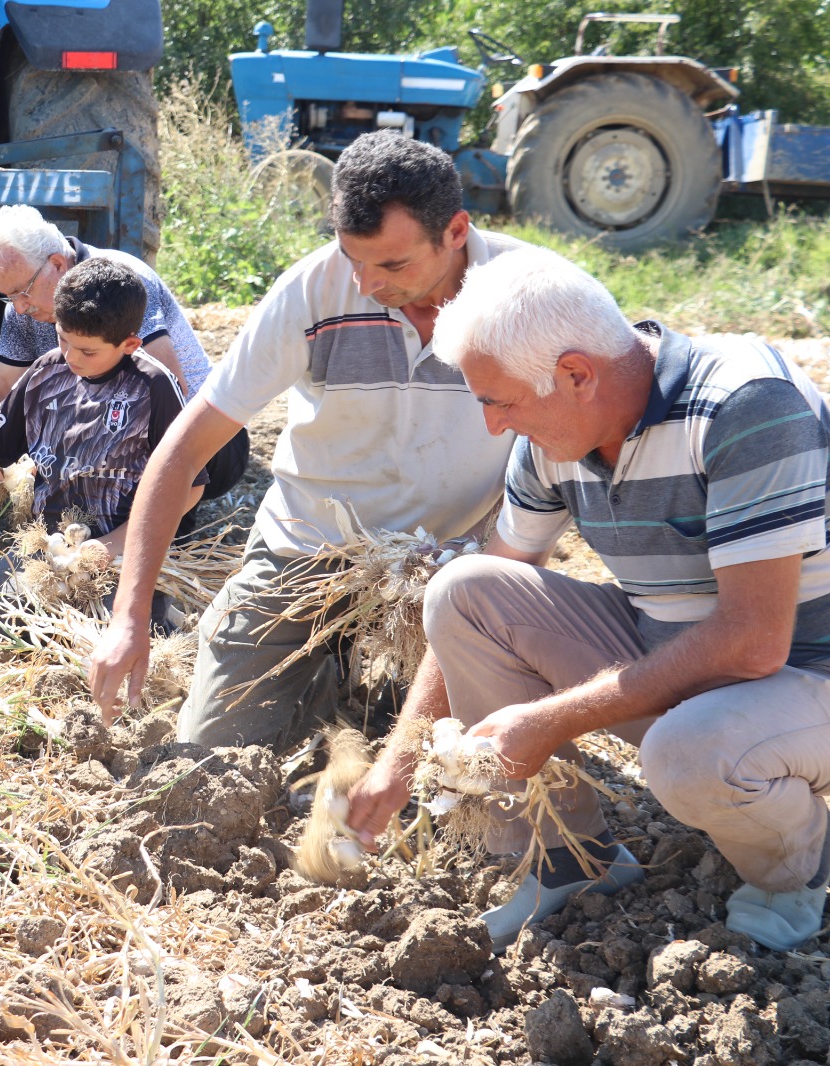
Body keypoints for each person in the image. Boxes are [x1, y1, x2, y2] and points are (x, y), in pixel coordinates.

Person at [351, 245, 830, 952]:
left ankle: (800, 870)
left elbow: (754, 641)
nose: (492, 426)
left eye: (499, 401)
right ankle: (569, 859)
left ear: (577, 373)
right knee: (464, 590)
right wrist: (401, 754)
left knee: (688, 752)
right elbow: (493, 576)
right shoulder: (554, 435)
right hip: (681, 661)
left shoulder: (744, 407)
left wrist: (548, 720)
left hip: (802, 678)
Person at [88, 131, 524, 747]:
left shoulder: (525, 292)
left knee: (477, 763)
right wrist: (129, 618)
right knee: (208, 757)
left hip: (455, 568)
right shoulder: (312, 291)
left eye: (393, 265)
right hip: (307, 554)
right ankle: (317, 665)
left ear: (456, 232)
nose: (367, 284)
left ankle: (364, 674)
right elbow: (183, 450)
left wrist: (490, 564)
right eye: (354, 258)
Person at [0, 258, 206, 646]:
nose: (70, 357)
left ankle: (166, 618)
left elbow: (190, 485)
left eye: (87, 351)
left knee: (102, 653)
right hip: (46, 554)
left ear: (130, 344)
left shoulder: (153, 388)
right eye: (62, 338)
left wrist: (112, 545)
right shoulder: (44, 373)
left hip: (119, 559)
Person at [0, 204, 249, 503]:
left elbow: (168, 392)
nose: (18, 307)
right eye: (8, 296)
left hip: (206, 440)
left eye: (23, 292)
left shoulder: (120, 285)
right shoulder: (24, 309)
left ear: (58, 264)